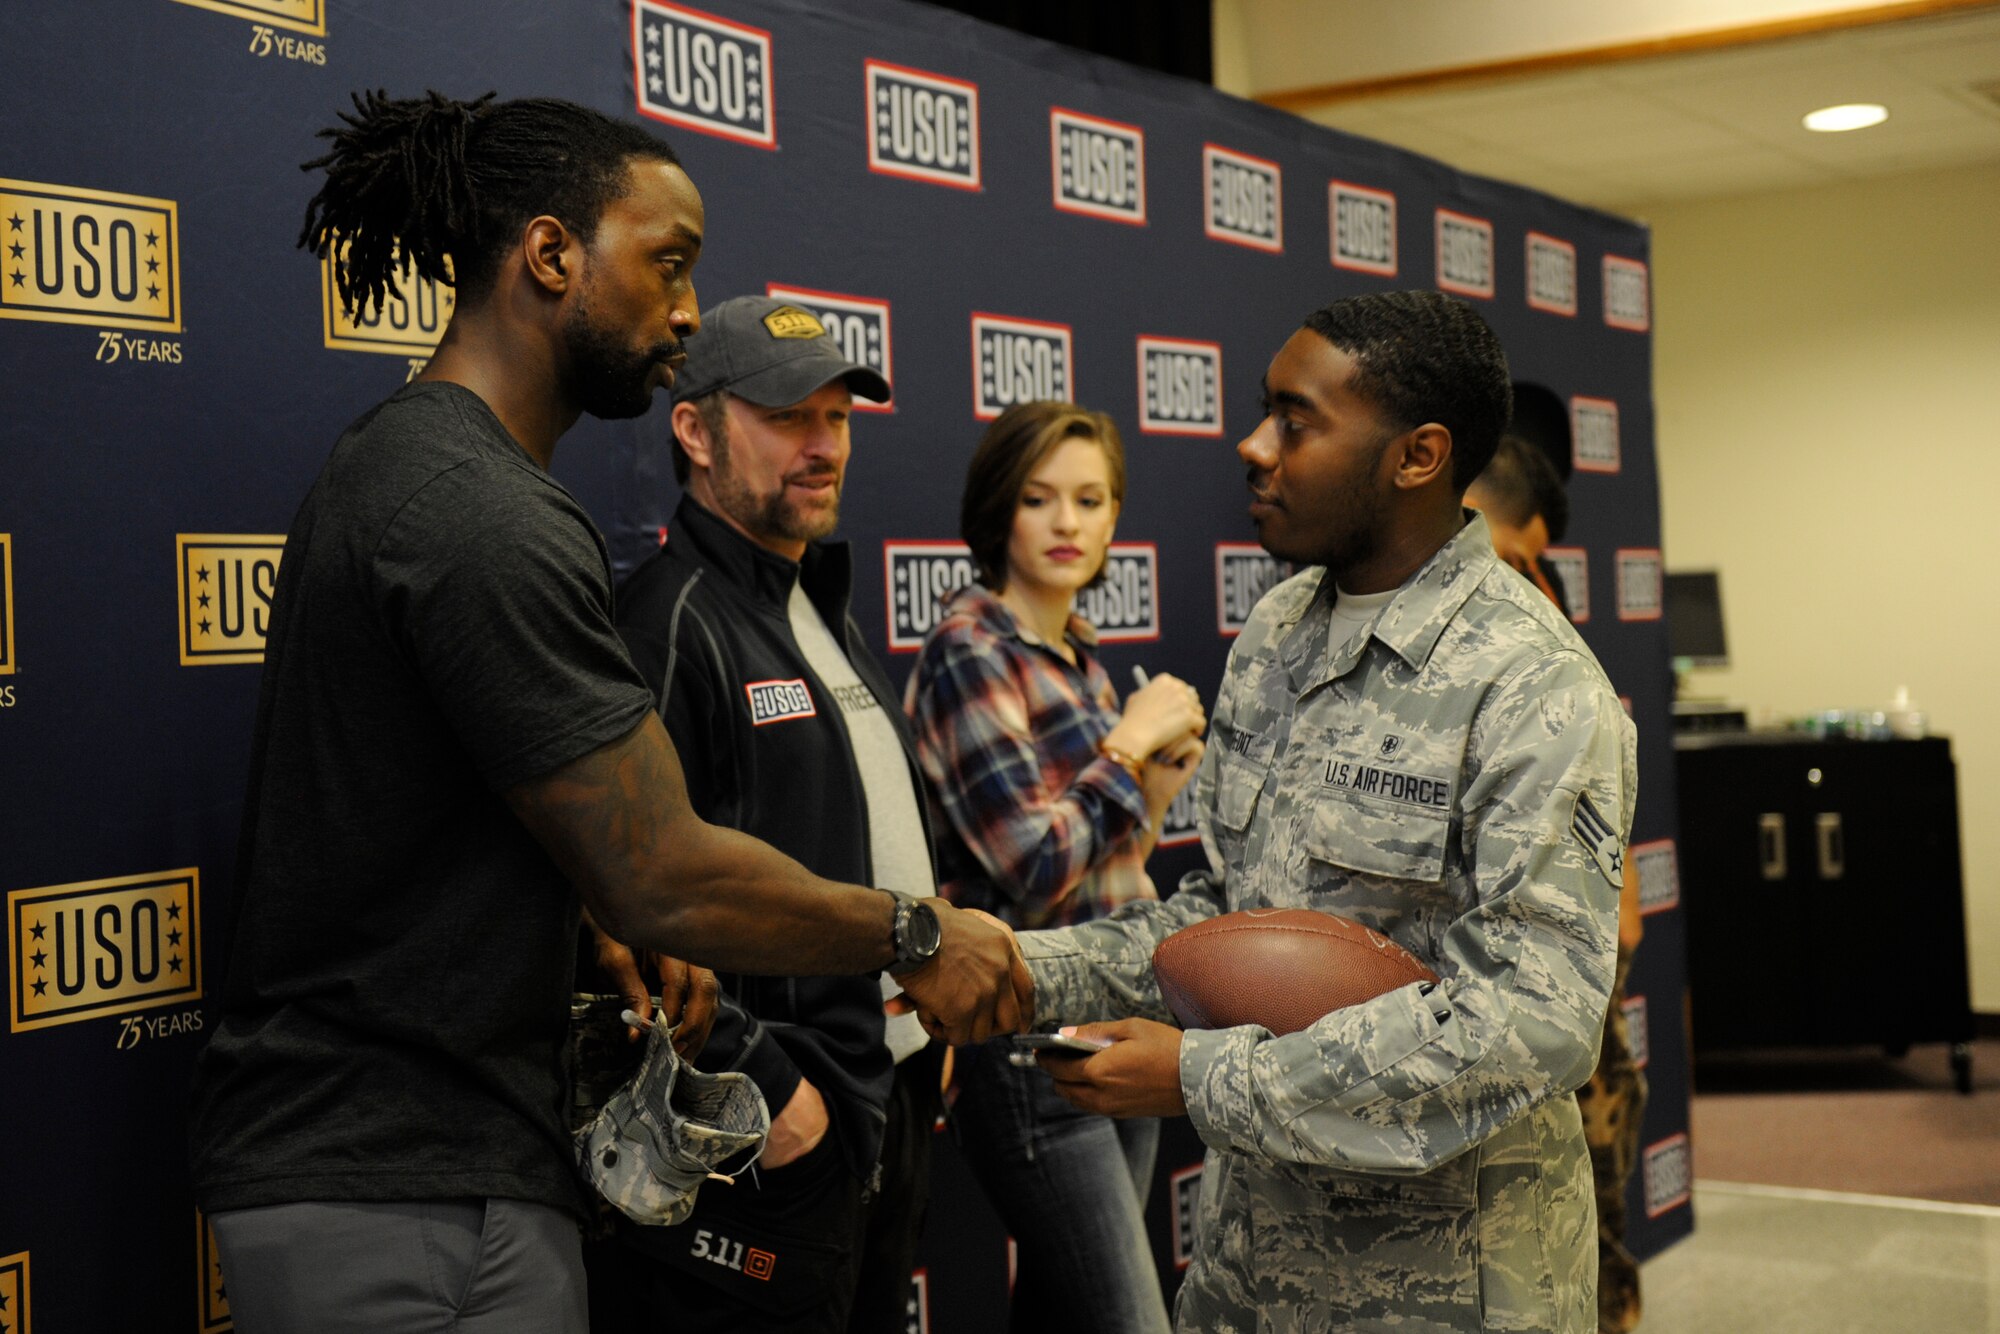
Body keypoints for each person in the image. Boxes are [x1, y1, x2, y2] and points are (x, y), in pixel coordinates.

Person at [185, 92, 1027, 1334]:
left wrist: (595, 918)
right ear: (549, 255)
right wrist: (916, 933)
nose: (685, 311)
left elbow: (501, 827)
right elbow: (660, 867)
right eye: (668, 263)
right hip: (396, 1173)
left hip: (439, 1158)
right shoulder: (477, 509)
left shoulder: (421, 468)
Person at [1015, 291, 1639, 1332]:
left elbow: (1528, 1023)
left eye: (1294, 420)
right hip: (1250, 1272)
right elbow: (1223, 919)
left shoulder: (1532, 683)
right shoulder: (1276, 632)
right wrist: (1025, 970)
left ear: (1416, 454)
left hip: (1444, 1294)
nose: (1252, 445)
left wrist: (1197, 1076)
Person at [580, 294, 947, 1333]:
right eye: (787, 415)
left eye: (836, 418)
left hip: (886, 1092)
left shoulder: (814, 599)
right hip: (770, 1130)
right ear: (692, 430)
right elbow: (618, 892)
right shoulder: (666, 618)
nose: (822, 445)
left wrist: (919, 1017)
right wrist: (773, 1090)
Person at [905, 401, 1206, 1334]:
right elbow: (1034, 869)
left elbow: (1107, 867)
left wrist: (1151, 792)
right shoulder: (971, 650)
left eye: (1090, 499)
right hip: (1032, 1036)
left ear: (1115, 518)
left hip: (1126, 1013)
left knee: (1063, 1311)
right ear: (1001, 509)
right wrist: (1125, 748)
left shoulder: (1080, 657)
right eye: (1041, 499)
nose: (1068, 522)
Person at [1468, 435, 1649, 1334]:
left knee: (1593, 1196)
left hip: (1555, 973)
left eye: (1526, 561)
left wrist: (1617, 907)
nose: (1518, 578)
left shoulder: (1535, 621)